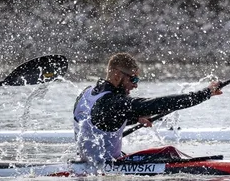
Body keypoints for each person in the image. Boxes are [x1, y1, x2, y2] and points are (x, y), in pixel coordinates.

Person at [74, 52, 222, 164]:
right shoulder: (114, 103)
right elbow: (159, 103)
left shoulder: (86, 93)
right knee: (169, 152)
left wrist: (134, 117)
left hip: (86, 165)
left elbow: (99, 122)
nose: (135, 84)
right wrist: (204, 94)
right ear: (117, 75)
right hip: (106, 171)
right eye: (133, 78)